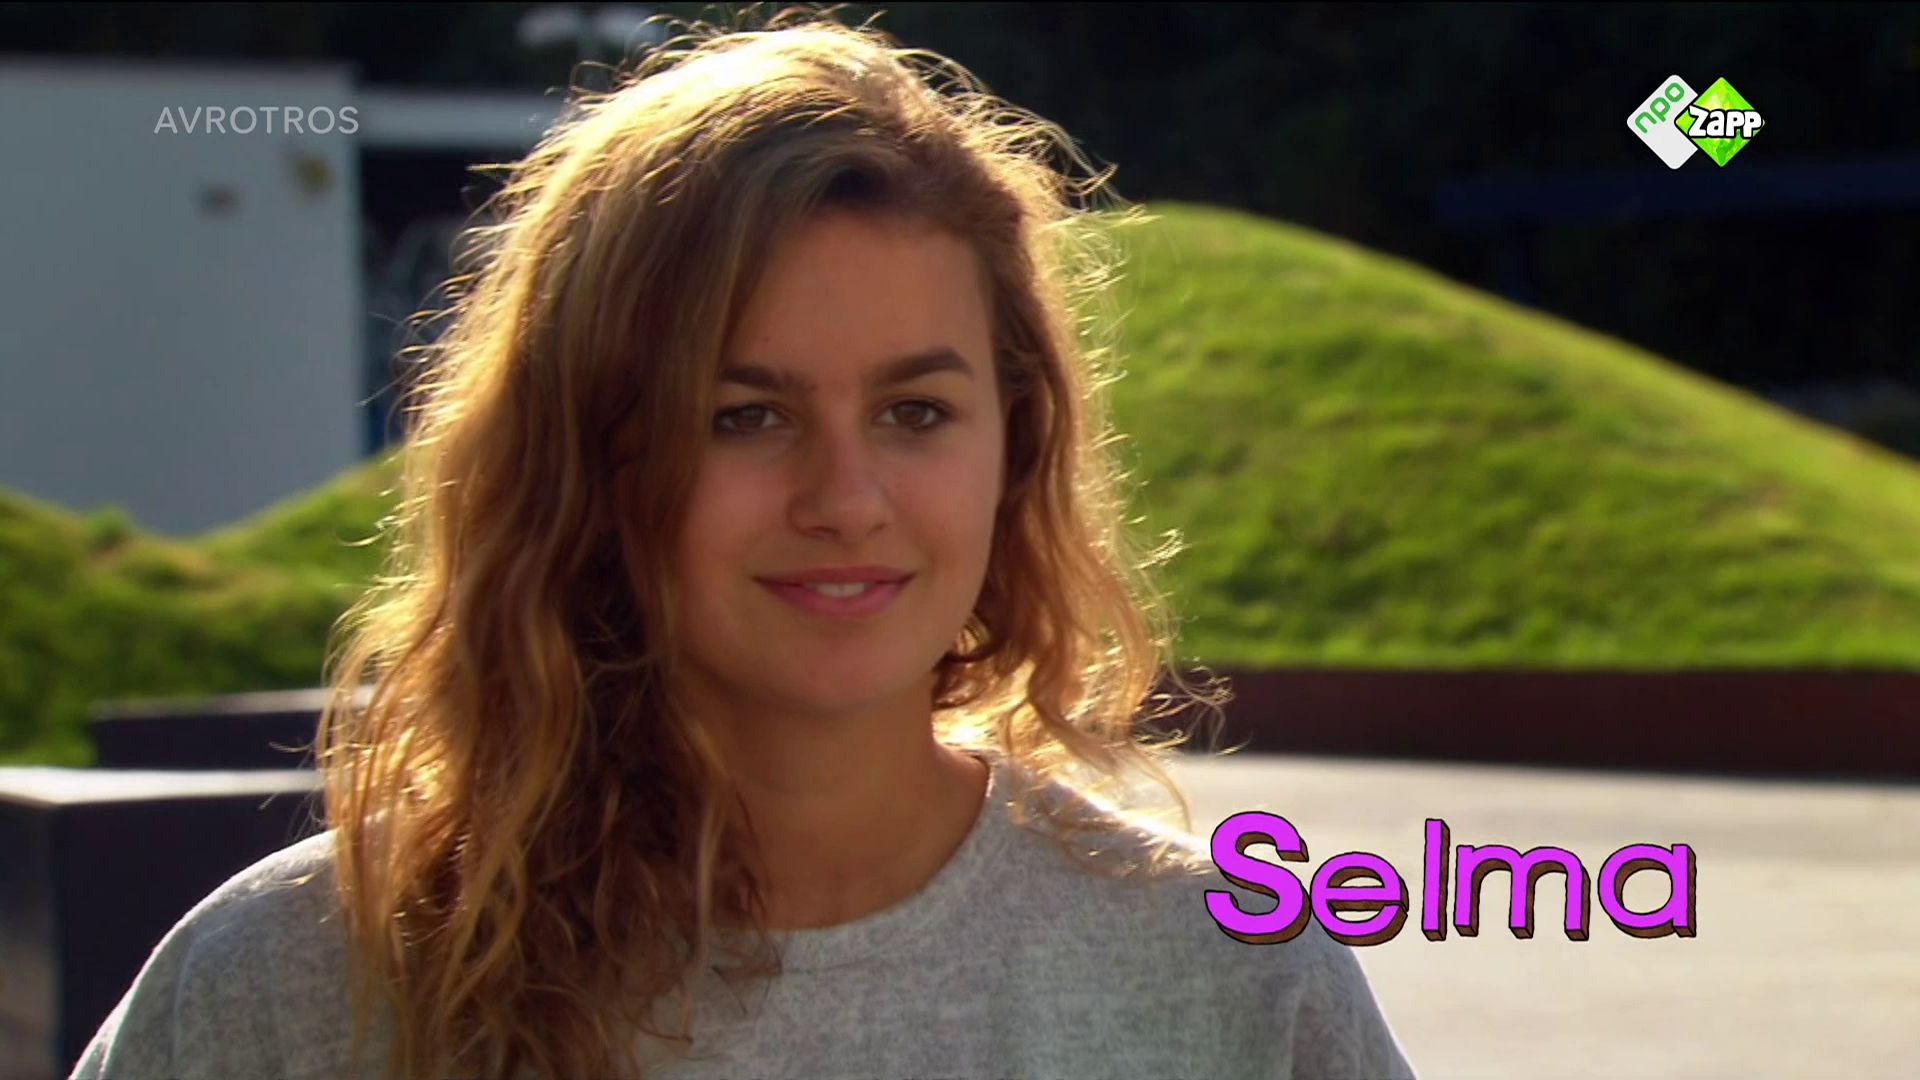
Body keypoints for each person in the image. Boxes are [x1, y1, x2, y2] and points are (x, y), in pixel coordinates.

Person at [72, 14, 1414, 1080]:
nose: (847, 497)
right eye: (745, 414)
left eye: (915, 411)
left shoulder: (1231, 977)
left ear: (1017, 445)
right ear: (589, 457)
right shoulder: (294, 986)